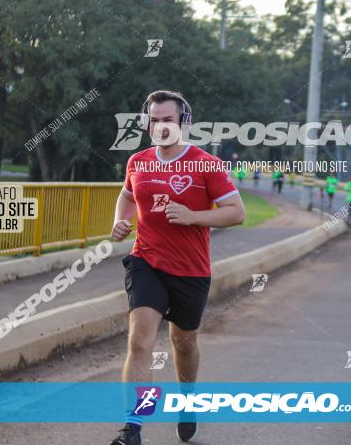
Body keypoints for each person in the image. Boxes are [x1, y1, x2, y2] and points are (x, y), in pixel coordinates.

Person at [109, 90, 246, 445]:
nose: (160, 127)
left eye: (167, 120)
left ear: (183, 123)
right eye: (153, 120)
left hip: (190, 269)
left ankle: (187, 402)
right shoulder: (138, 162)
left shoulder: (205, 164)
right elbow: (127, 195)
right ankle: (132, 428)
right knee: (140, 341)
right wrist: (120, 221)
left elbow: (236, 212)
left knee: (183, 342)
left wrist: (192, 217)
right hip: (146, 261)